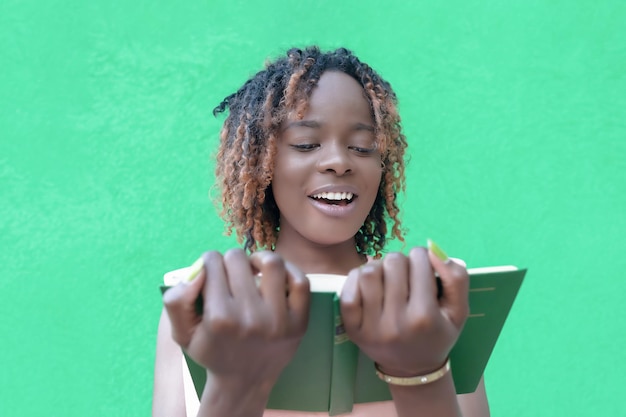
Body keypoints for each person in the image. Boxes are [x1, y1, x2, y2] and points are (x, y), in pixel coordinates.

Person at [153, 46, 490, 417]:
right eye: (306, 144)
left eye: (362, 147)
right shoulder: (201, 306)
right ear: (261, 163)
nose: (338, 162)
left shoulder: (434, 300)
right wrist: (235, 390)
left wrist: (421, 373)